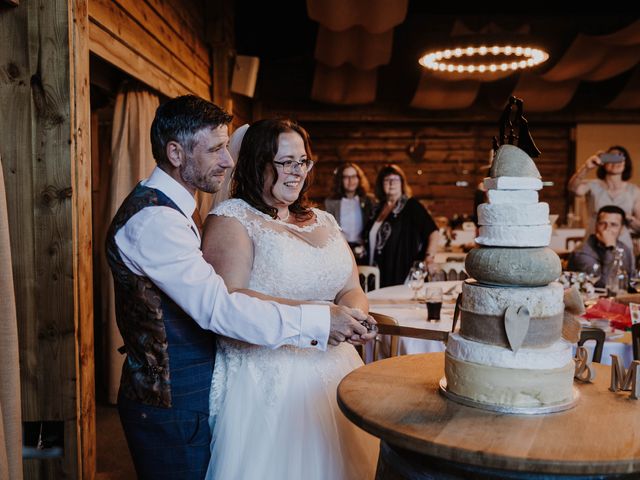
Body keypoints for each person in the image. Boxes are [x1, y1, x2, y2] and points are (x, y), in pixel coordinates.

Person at [105, 95, 374, 480]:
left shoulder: (178, 210)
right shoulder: (154, 222)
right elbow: (220, 308)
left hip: (193, 392)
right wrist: (320, 320)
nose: (229, 159)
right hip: (170, 400)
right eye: (215, 148)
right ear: (176, 153)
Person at [201, 119, 378, 480]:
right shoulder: (232, 219)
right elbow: (230, 301)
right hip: (269, 377)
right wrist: (325, 316)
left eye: (303, 161)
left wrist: (355, 317)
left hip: (336, 367)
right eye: (285, 162)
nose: (297, 172)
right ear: (256, 163)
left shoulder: (324, 219)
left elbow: (351, 287)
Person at [364, 164, 441, 287]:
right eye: (387, 180)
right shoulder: (377, 209)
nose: (391, 183)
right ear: (381, 184)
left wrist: (429, 258)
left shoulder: (411, 205)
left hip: (401, 269)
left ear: (402, 183)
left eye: (395, 179)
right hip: (377, 272)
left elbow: (433, 232)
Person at [568, 145, 640, 257]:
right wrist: (586, 167)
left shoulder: (634, 190)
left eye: (620, 157)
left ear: (626, 163)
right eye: (611, 157)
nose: (615, 161)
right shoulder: (592, 185)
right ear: (603, 162)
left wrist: (627, 218)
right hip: (593, 245)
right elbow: (573, 188)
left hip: (623, 247)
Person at [568, 205, 633, 289]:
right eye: (602, 223)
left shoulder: (625, 249)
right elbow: (604, 285)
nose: (607, 229)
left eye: (613, 225)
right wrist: (610, 248)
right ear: (596, 226)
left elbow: (631, 281)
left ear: (622, 229)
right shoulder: (582, 252)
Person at [324, 162, 375, 263]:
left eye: (353, 176)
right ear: (340, 180)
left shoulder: (369, 201)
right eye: (346, 177)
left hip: (363, 250)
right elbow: (328, 228)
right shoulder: (331, 203)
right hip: (340, 250)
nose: (350, 180)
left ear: (359, 179)